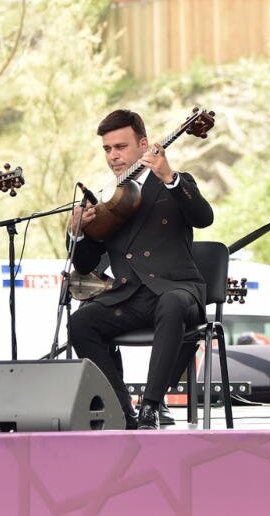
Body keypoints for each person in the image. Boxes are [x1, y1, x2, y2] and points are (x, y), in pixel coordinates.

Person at [69, 109, 215, 430]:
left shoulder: (174, 181)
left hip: (177, 289)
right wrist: (77, 233)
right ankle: (122, 411)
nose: (113, 156)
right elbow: (85, 264)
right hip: (130, 296)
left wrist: (169, 177)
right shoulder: (108, 199)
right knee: (81, 322)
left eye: (121, 147)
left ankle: (151, 405)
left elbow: (204, 218)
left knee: (172, 303)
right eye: (107, 149)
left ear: (144, 145)